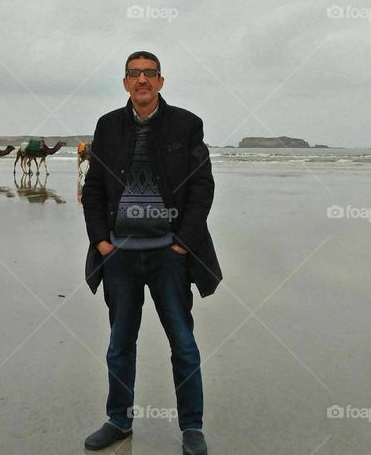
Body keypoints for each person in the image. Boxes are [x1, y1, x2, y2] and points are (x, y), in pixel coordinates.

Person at [81, 50, 223, 454]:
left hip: (169, 255)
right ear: (125, 82)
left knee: (183, 341)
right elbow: (93, 189)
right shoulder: (107, 127)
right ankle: (118, 420)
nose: (142, 80)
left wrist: (182, 244)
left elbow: (202, 188)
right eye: (134, 74)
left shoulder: (187, 125)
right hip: (119, 253)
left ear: (161, 81)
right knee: (120, 341)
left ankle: (192, 427)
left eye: (150, 73)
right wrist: (102, 242)